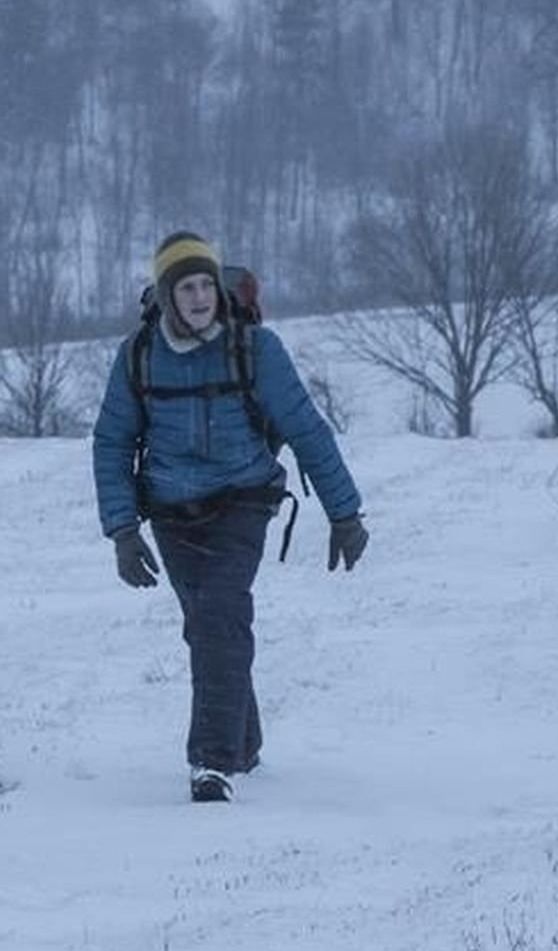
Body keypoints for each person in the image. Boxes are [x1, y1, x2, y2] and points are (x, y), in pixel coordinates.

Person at [91, 230, 367, 803]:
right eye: (185, 288)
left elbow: (305, 428)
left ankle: (211, 762)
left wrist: (345, 512)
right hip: (169, 510)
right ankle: (244, 741)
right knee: (208, 627)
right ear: (167, 297)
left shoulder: (255, 348)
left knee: (219, 615)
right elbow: (112, 441)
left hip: (243, 500)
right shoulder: (138, 355)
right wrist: (122, 530)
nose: (199, 298)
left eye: (206, 286)